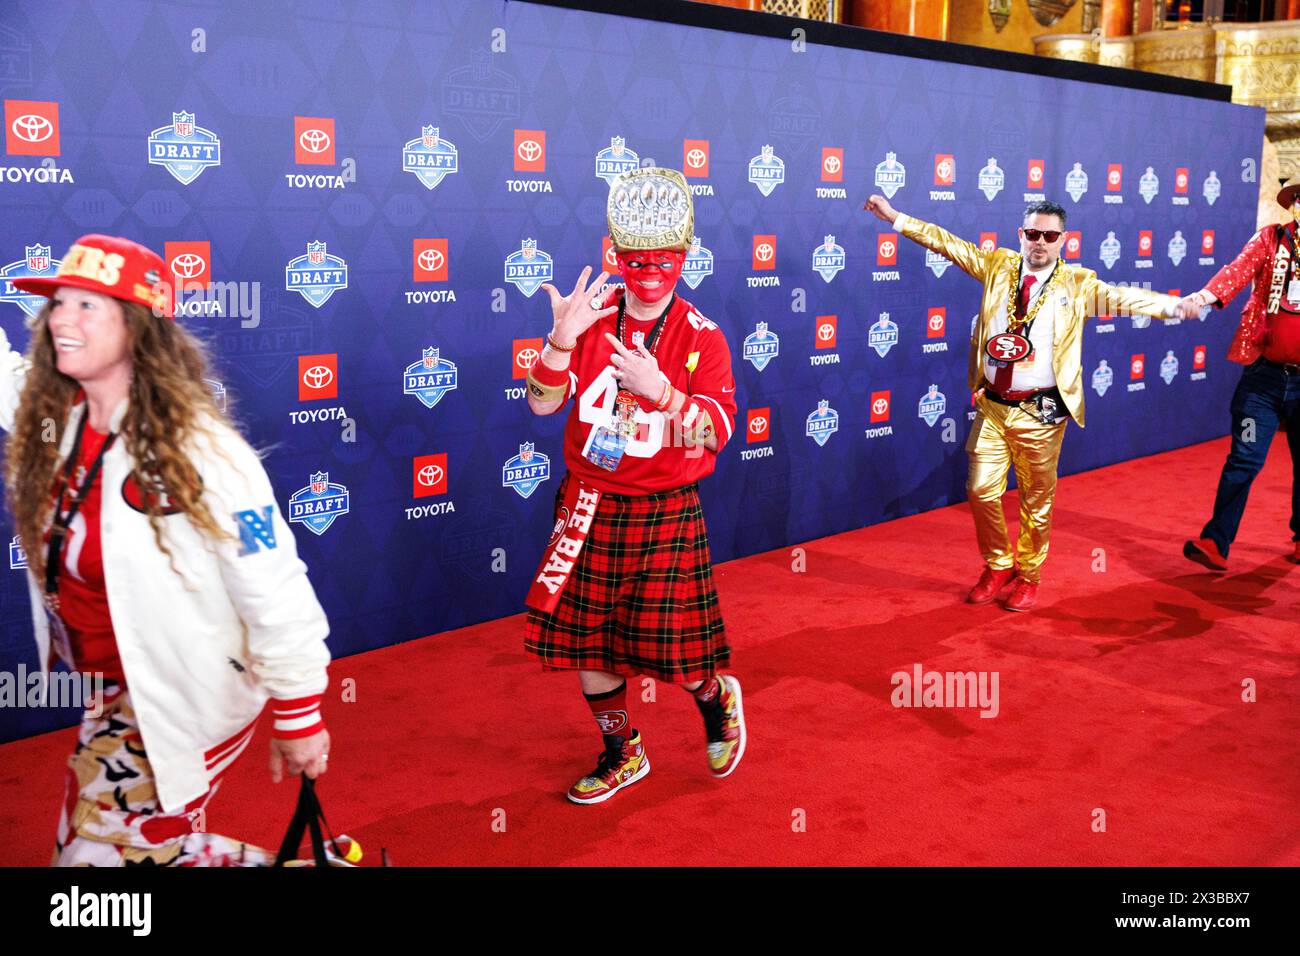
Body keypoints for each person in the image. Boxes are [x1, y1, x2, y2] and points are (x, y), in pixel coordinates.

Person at [0, 234, 333, 865]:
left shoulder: (199, 451)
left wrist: (301, 713)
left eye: (88, 306)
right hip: (115, 688)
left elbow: (273, 583)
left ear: (139, 329)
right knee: (96, 847)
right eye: (58, 304)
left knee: (96, 867)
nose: (62, 321)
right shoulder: (59, 420)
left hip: (182, 692)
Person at [522, 167, 745, 804]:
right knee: (588, 645)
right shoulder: (589, 318)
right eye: (637, 259)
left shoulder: (704, 337)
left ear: (685, 258)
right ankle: (623, 752)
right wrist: (560, 339)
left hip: (664, 509)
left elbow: (715, 432)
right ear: (615, 257)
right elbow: (541, 405)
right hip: (588, 504)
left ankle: (714, 698)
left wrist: (664, 393)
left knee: (675, 652)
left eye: (665, 260)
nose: (650, 272)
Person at [864, 196, 1201, 611]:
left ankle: (1029, 575)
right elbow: (946, 244)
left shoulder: (1078, 285)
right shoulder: (998, 267)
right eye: (1033, 234)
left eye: (1050, 236)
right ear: (1020, 235)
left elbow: (1124, 298)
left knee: (1036, 502)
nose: (1040, 242)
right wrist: (897, 218)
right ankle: (998, 563)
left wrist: (1173, 306)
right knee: (980, 490)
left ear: (1064, 240)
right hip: (992, 405)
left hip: (1040, 412)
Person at [1182, 177, 1300, 570]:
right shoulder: (1272, 239)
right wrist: (1204, 297)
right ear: (1295, 204)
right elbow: (1236, 271)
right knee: (1244, 458)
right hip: (1263, 379)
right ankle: (1216, 541)